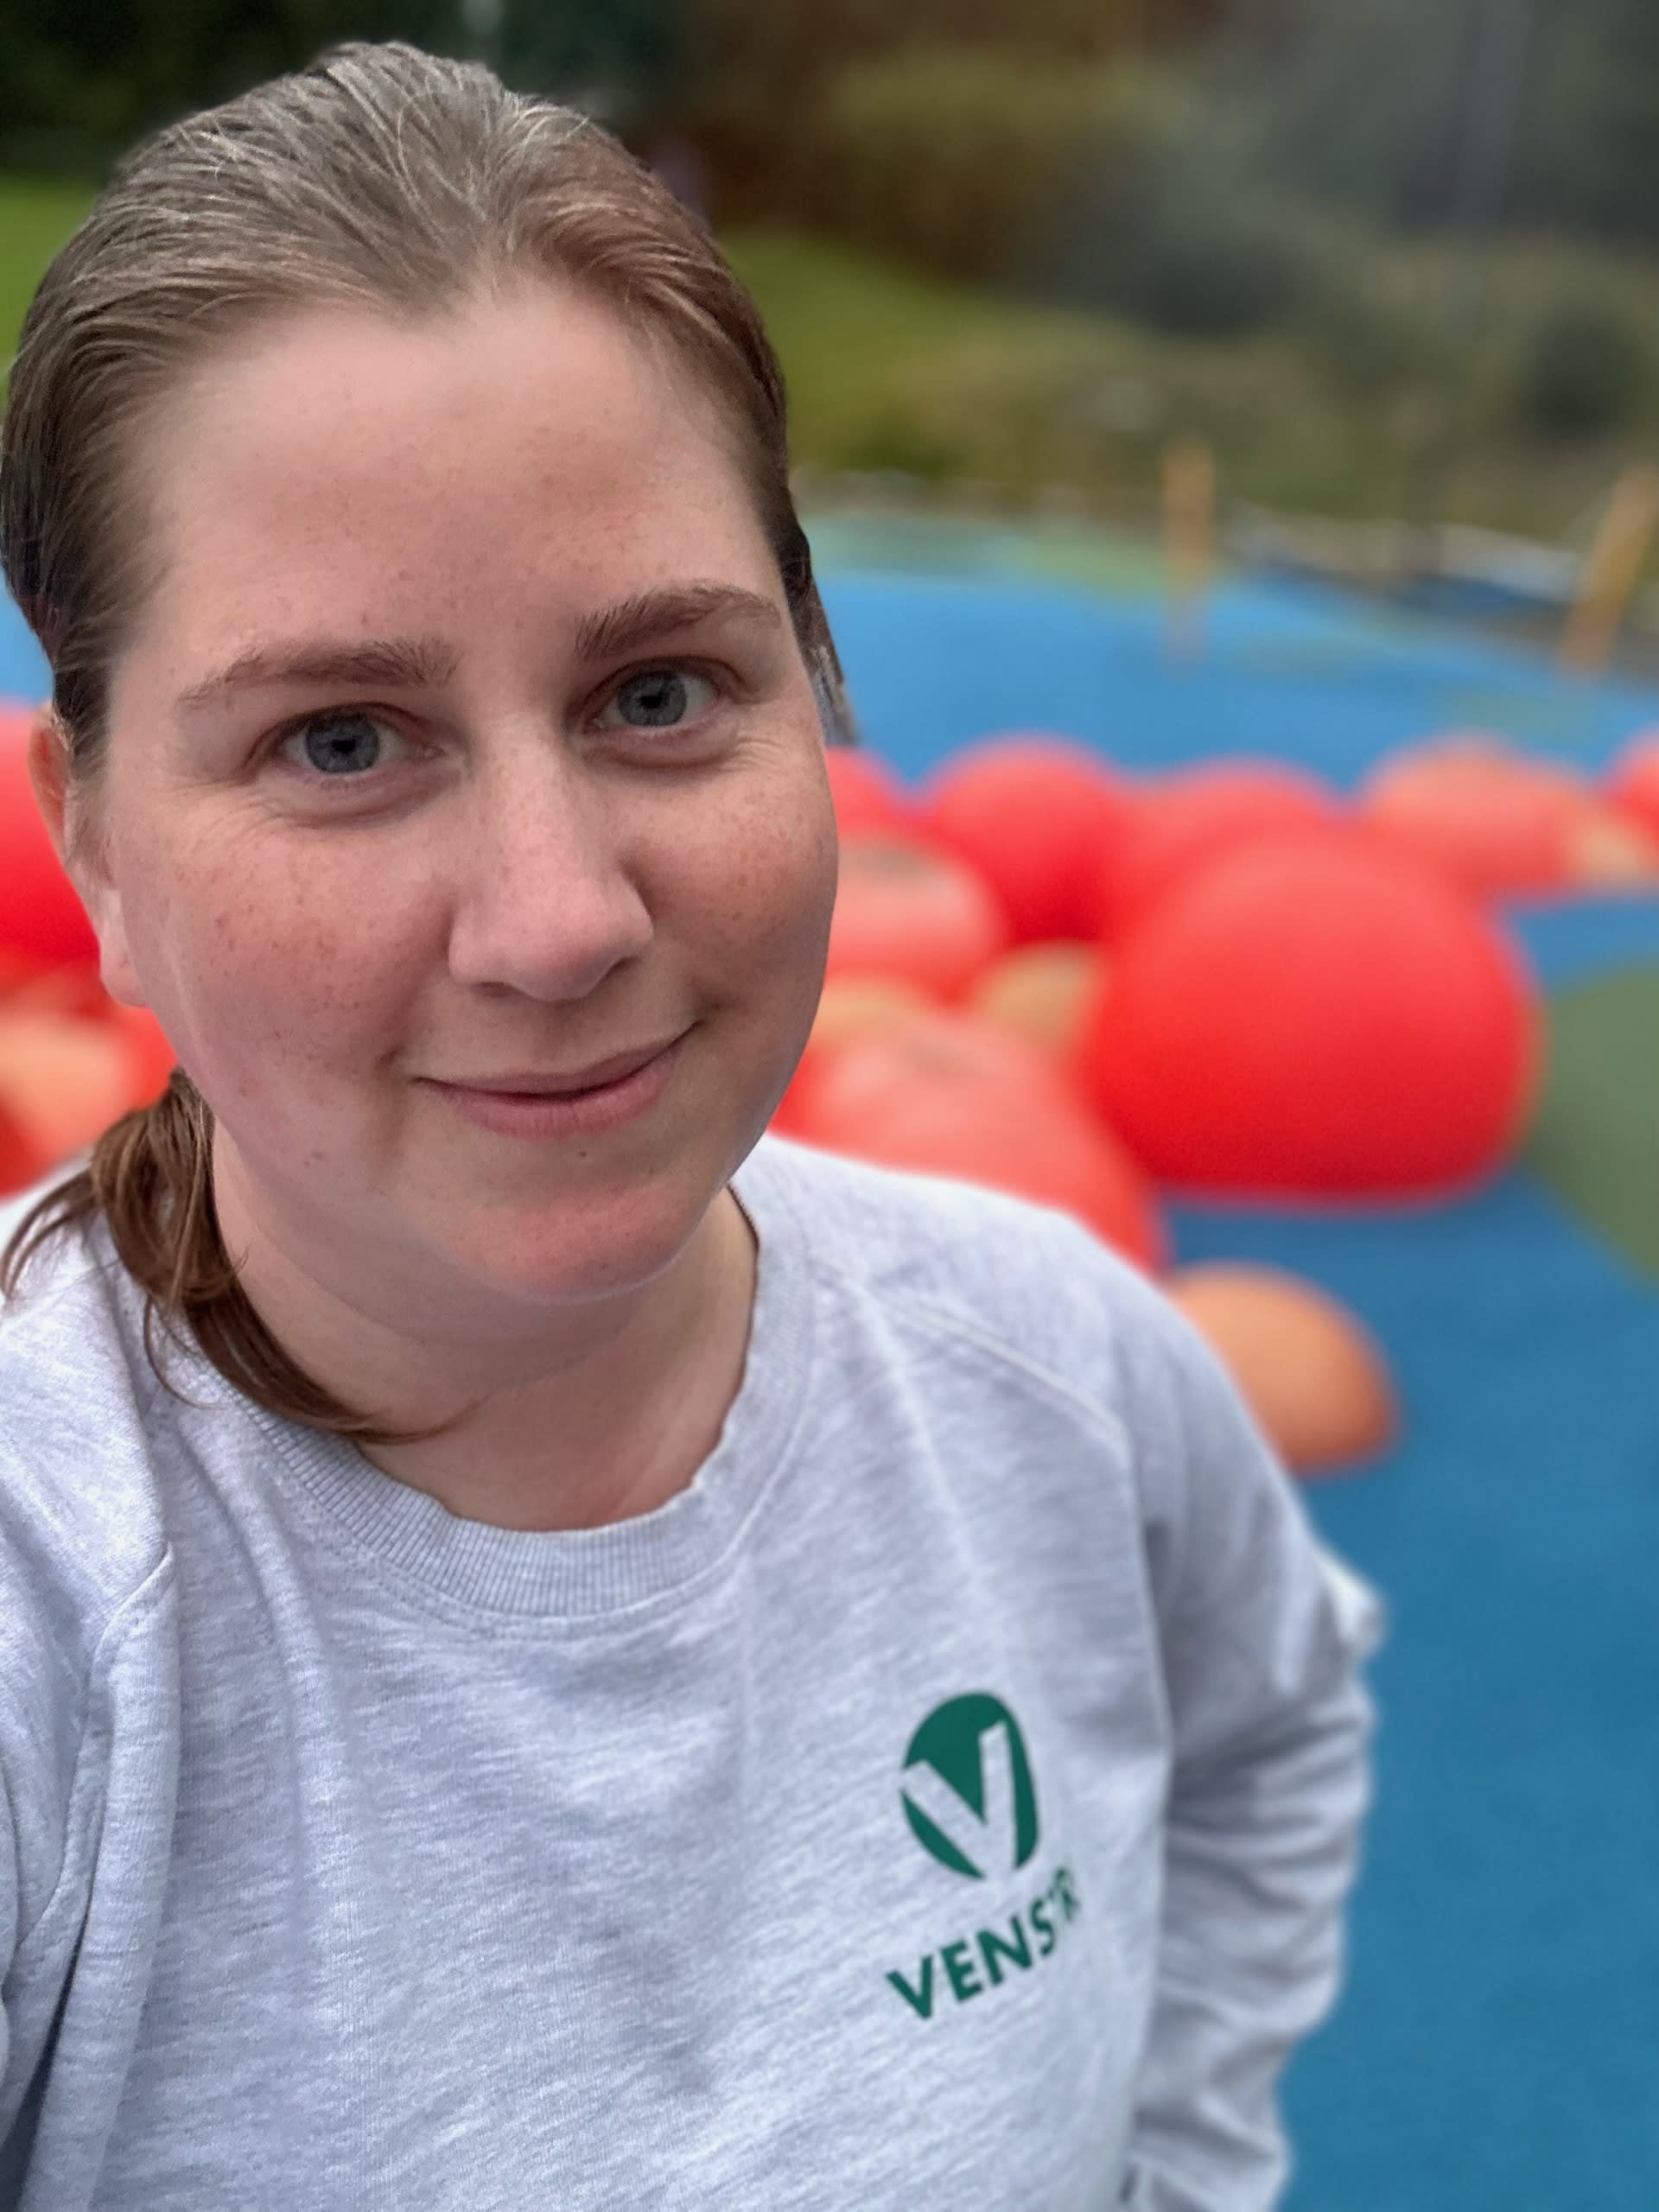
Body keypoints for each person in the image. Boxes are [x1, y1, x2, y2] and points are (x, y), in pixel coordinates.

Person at [0, 41, 1383, 2212]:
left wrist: (1175, 2165)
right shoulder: (51, 1608)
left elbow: (1277, 1724)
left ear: (811, 684)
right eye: (342, 738)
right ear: (91, 842)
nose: (559, 918)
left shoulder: (1054, 1369)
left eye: (659, 692)